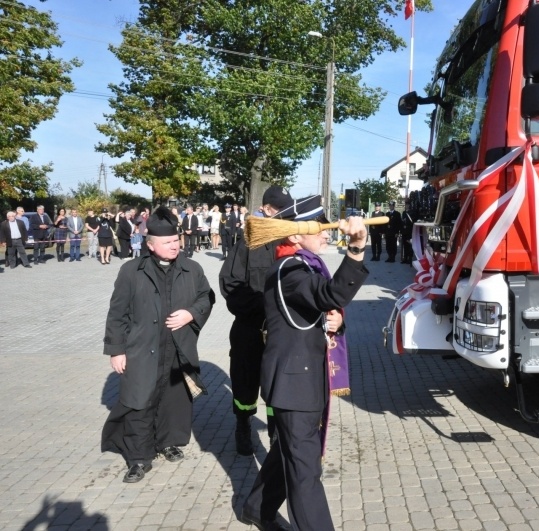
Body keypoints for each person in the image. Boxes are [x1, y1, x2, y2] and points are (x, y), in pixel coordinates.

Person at [242, 196, 369, 531]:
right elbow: (328, 295)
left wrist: (335, 322)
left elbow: (319, 309)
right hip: (293, 385)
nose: (327, 234)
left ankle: (256, 507)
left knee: (289, 449)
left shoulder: (305, 264)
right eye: (320, 227)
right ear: (296, 235)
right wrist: (355, 250)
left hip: (305, 378)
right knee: (305, 470)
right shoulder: (289, 270)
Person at [101, 206, 214, 484]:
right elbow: (117, 313)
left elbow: (207, 298)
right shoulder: (131, 271)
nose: (174, 246)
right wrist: (116, 350)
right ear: (150, 245)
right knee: (140, 402)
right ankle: (139, 458)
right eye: (167, 242)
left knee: (173, 399)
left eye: (176, 241)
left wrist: (191, 313)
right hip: (141, 348)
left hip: (178, 348)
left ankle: (167, 442)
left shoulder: (193, 268)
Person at [220, 186, 297, 456]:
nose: (284, 217)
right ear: (265, 209)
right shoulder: (248, 243)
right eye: (279, 211)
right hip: (250, 328)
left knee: (278, 386)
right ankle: (243, 425)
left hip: (281, 332)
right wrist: (264, 305)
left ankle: (277, 434)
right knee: (244, 384)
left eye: (288, 212)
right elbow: (230, 285)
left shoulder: (292, 242)